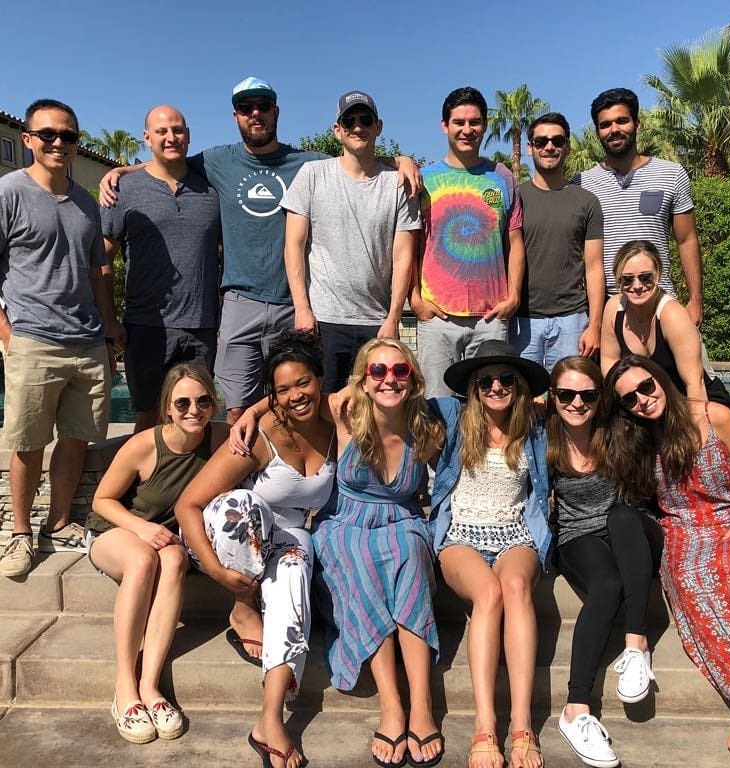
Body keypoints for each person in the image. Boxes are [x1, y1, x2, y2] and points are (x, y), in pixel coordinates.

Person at [101, 78, 420, 422]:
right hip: (240, 303)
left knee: (290, 406)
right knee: (237, 408)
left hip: (291, 306)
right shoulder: (216, 160)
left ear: (276, 112)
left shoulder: (307, 163)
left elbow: (355, 157)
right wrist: (122, 170)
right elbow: (167, 160)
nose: (255, 114)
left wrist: (400, 160)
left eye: (263, 107)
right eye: (245, 108)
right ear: (235, 116)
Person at [175, 331, 336, 768]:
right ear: (273, 396)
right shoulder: (259, 436)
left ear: (320, 381)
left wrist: (256, 404)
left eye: (303, 383)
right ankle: (243, 607)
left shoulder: (336, 423)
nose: (295, 396)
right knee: (243, 505)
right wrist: (216, 572)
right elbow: (188, 505)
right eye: (282, 390)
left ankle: (270, 719)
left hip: (290, 534)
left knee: (295, 573)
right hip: (226, 536)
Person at [604, 355, 730, 760]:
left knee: (726, 568)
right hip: (683, 532)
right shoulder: (640, 442)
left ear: (660, 380)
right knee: (691, 580)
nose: (642, 400)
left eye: (646, 387)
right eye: (629, 399)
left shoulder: (714, 417)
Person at [0, 98, 121, 577]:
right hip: (33, 338)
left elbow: (97, 271)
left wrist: (109, 327)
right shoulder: (9, 192)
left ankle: (57, 523)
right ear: (28, 139)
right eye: (47, 134)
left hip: (86, 341)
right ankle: (20, 534)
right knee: (28, 443)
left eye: (67, 135)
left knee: (75, 440)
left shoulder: (85, 203)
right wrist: (6, 333)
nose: (58, 143)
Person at [312, 338, 446, 768]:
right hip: (345, 522)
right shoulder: (345, 413)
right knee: (361, 560)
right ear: (364, 380)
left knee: (409, 553)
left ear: (414, 379)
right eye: (378, 371)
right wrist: (248, 415)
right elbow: (289, 396)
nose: (390, 379)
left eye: (400, 370)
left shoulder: (427, 430)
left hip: (401, 518)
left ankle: (421, 704)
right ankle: (392, 706)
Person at [87, 363, 228, 743]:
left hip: (167, 541)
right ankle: (124, 686)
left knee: (176, 558)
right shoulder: (145, 445)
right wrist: (142, 528)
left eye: (203, 401)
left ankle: (150, 686)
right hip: (117, 530)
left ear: (214, 404)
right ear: (167, 407)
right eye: (182, 403)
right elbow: (102, 500)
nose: (193, 410)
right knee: (142, 559)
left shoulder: (220, 438)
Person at [428, 339, 551, 768]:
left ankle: (522, 724)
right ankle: (485, 724)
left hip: (516, 531)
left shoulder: (535, 427)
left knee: (515, 585)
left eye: (505, 379)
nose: (496, 387)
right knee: (490, 593)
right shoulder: (453, 418)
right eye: (486, 381)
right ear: (474, 388)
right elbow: (399, 400)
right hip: (461, 533)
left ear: (519, 386)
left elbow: (588, 407)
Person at [546, 356, 662, 768]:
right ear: (552, 397)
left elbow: (669, 417)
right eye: (566, 394)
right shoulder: (543, 437)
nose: (577, 403)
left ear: (601, 398)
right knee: (608, 584)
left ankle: (635, 645)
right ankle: (576, 709)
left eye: (587, 394)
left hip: (629, 528)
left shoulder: (620, 430)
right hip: (578, 536)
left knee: (622, 515)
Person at [282, 91, 421, 390]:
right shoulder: (312, 175)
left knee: (378, 406)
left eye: (365, 120)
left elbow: (403, 258)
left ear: (378, 126)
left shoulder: (399, 183)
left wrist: (394, 318)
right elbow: (293, 246)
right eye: (349, 121)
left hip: (378, 322)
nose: (358, 127)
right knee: (323, 406)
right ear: (337, 130)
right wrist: (302, 309)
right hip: (324, 320)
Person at [100, 105, 221, 432]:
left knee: (197, 418)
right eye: (162, 131)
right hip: (147, 326)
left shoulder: (211, 191)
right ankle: (144, 470)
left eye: (178, 130)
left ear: (188, 135)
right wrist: (109, 320)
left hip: (202, 326)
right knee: (149, 417)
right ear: (147, 137)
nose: (171, 137)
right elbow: (102, 260)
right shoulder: (124, 191)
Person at [410, 87, 524, 397]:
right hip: (437, 316)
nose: (467, 129)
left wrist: (513, 297)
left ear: (485, 125)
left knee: (490, 405)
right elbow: (411, 246)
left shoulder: (503, 177)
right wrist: (415, 299)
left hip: (491, 317)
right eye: (458, 122)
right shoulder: (424, 179)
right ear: (444, 126)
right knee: (438, 405)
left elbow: (514, 242)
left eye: (474, 122)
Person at [573, 87, 703, 327]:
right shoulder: (581, 184)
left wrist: (695, 299)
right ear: (598, 132)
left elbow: (686, 240)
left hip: (660, 302)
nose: (614, 129)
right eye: (605, 125)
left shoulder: (671, 174)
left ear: (637, 125)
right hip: (606, 309)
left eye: (622, 121)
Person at [509, 113, 604, 370]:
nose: (549, 147)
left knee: (571, 392)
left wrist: (595, 325)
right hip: (521, 322)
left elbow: (594, 267)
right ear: (529, 148)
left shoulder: (587, 202)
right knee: (522, 393)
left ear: (567, 147)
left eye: (557, 141)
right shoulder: (514, 198)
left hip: (572, 321)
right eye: (541, 141)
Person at [601, 240, 730, 408]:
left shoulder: (673, 316)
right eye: (627, 279)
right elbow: (610, 362)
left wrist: (697, 422)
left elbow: (695, 384)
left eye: (645, 277)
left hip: (697, 400)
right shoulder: (614, 309)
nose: (637, 286)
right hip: (651, 402)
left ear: (657, 274)